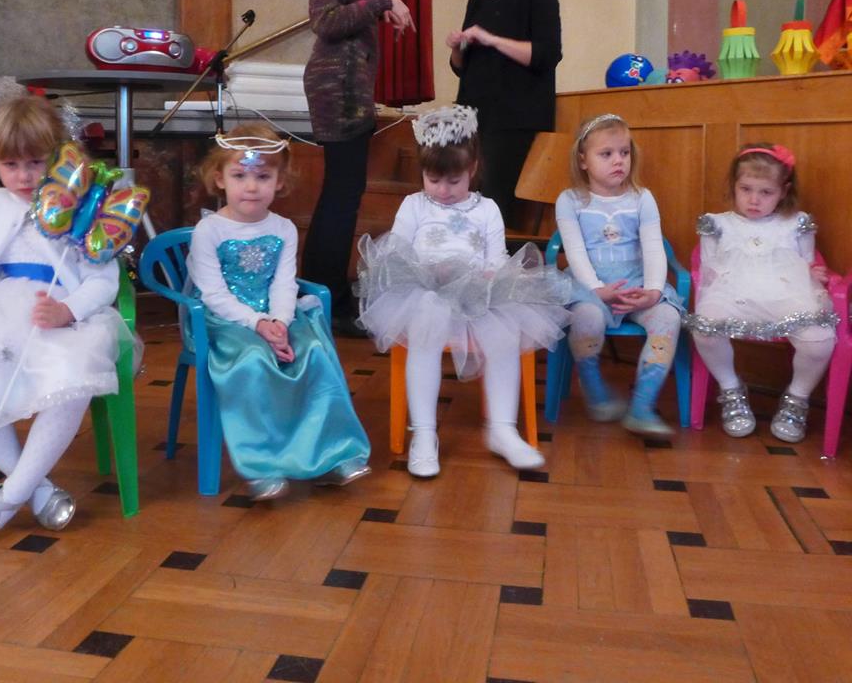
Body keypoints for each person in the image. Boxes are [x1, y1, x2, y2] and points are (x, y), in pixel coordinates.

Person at [0, 96, 139, 551]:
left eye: (36, 163)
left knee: (74, 373)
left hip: (60, 316)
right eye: (10, 165)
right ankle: (36, 489)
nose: (23, 176)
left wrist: (69, 310)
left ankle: (0, 504)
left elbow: (103, 279)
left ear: (59, 158)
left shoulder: (81, 208)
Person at [356, 105, 571, 478]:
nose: (443, 191)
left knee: (505, 336)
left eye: (454, 181)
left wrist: (490, 273)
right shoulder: (414, 205)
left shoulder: (487, 209)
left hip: (478, 294)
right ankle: (424, 433)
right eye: (433, 179)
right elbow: (396, 251)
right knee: (425, 331)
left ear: (472, 169)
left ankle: (502, 429)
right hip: (425, 292)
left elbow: (498, 256)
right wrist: (426, 269)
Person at [186, 122, 371, 501]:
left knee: (314, 351)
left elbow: (284, 284)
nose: (251, 187)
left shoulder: (284, 228)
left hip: (277, 315)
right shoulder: (209, 231)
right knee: (253, 360)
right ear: (219, 179)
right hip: (225, 321)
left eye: (263, 177)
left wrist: (280, 322)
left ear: (280, 181)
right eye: (240, 176)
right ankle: (262, 465)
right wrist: (258, 323)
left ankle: (330, 455)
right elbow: (213, 293)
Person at [301, 0, 415, 337]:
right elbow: (325, 20)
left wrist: (377, 6)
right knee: (342, 196)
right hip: (339, 89)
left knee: (342, 194)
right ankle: (327, 300)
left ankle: (324, 295)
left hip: (348, 87)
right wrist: (383, 0)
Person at [686, 143, 837, 442]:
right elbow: (708, 272)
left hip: (786, 292)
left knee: (820, 340)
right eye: (746, 189)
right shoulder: (717, 224)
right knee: (704, 327)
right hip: (732, 292)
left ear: (783, 191)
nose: (754, 199)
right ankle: (731, 389)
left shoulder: (796, 223)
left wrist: (814, 274)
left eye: (766, 192)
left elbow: (808, 264)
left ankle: (797, 398)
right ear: (734, 185)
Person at [555, 113, 683, 437]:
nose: (618, 161)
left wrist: (653, 291)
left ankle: (642, 405)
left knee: (668, 318)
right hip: (590, 287)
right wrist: (597, 289)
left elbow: (653, 247)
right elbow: (574, 252)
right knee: (586, 318)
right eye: (607, 153)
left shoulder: (642, 198)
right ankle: (596, 394)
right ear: (583, 160)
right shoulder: (570, 201)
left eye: (624, 152)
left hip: (637, 284)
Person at [447, 0, 561, 228]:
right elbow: (460, 68)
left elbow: (547, 54)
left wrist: (492, 39)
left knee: (495, 204)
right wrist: (458, 48)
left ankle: (496, 259)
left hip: (514, 119)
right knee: (462, 203)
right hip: (472, 116)